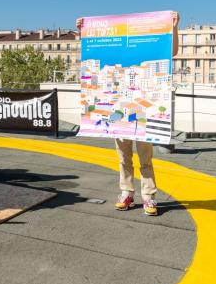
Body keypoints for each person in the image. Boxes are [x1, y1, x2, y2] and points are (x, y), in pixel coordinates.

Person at [76, 11, 179, 216]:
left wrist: (174, 27)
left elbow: (172, 51)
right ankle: (127, 193)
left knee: (145, 158)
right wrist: (83, 32)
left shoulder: (149, 55)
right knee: (123, 158)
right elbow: (93, 50)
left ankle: (149, 196)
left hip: (142, 111)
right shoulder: (114, 64)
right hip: (119, 110)